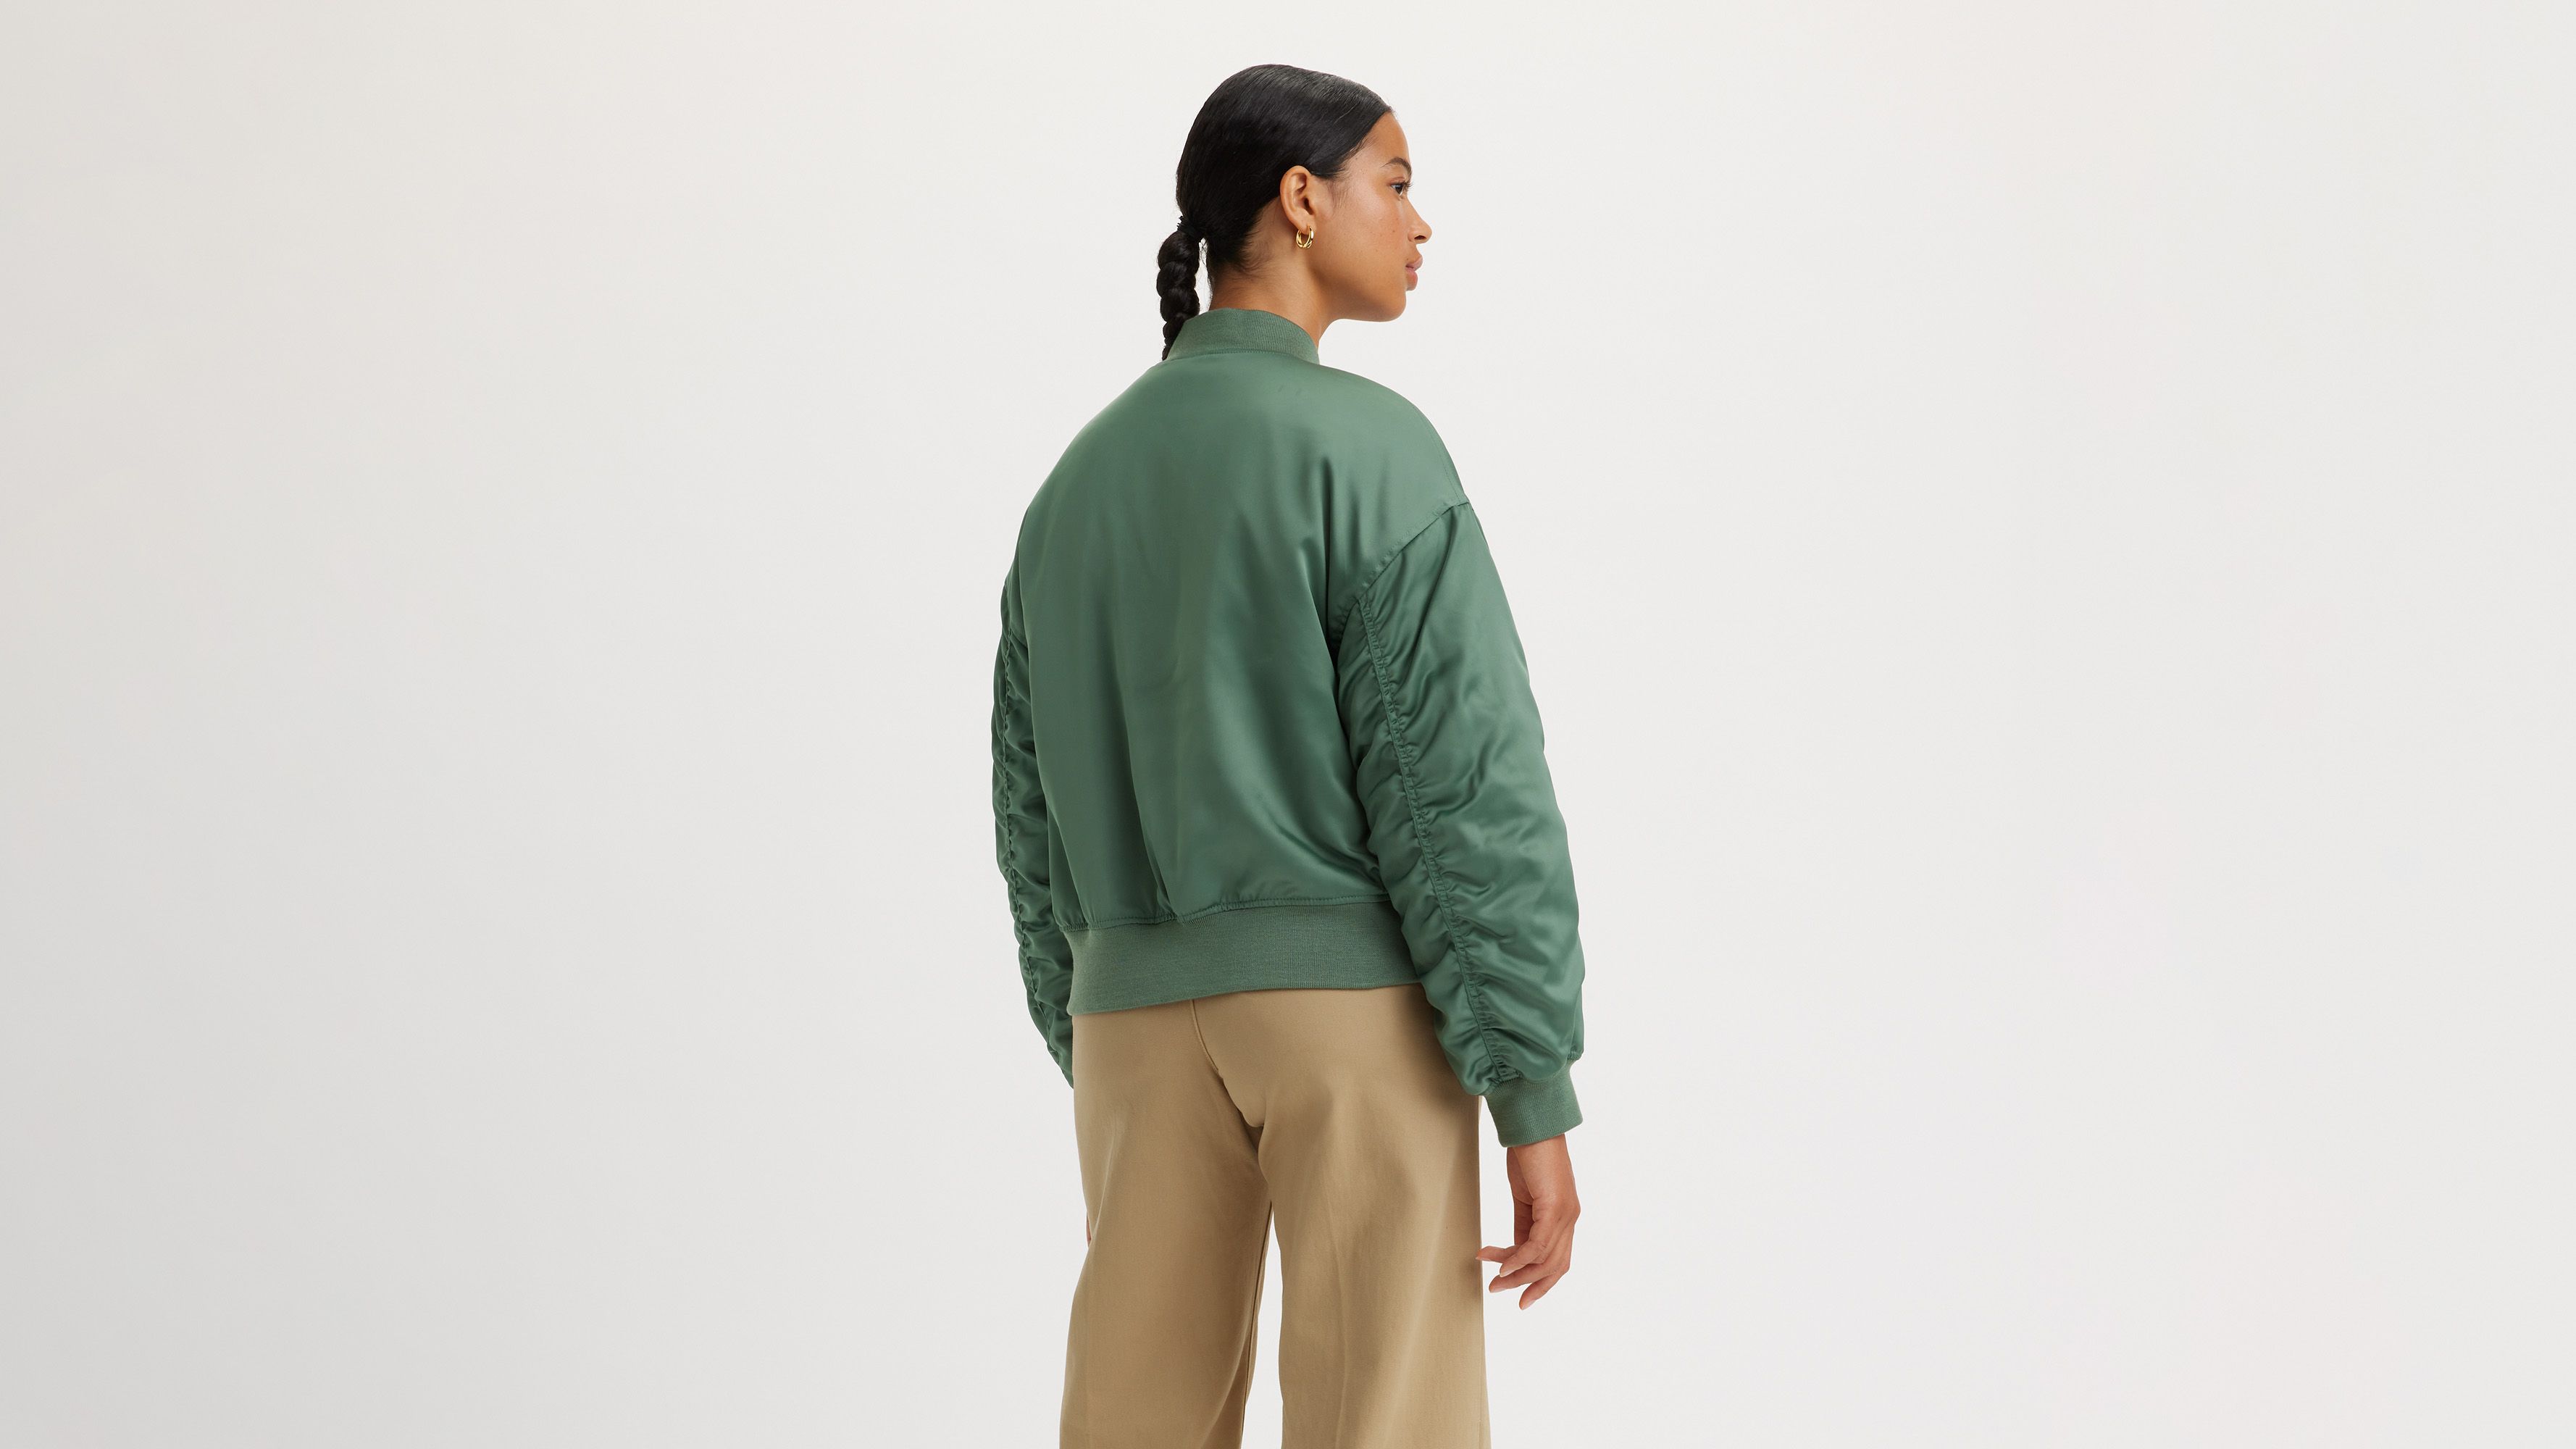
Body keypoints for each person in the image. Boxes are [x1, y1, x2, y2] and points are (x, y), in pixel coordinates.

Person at [990, 62, 1588, 1449]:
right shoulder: (1369, 450)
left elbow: (1030, 809)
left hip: (1131, 1023)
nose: (1420, 222)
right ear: (1303, 199)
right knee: (1386, 1420)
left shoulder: (1073, 484)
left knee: (1132, 1423)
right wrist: (1529, 1084)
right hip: (1346, 1020)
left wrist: (1092, 1017)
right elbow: (1463, 788)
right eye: (1398, 182)